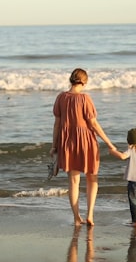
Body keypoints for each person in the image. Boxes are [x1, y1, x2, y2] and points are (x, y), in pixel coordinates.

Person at [50, 68, 118, 226]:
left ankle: (76, 218)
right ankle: (90, 215)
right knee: (92, 178)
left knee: (73, 182)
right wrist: (109, 143)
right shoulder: (85, 98)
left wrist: (54, 146)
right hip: (86, 141)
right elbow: (93, 124)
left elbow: (57, 125)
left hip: (67, 142)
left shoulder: (61, 97)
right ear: (84, 82)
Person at [109, 127, 136, 229]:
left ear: (129, 141)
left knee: (133, 200)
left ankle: (135, 222)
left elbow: (122, 156)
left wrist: (113, 151)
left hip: (134, 181)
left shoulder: (131, 150)